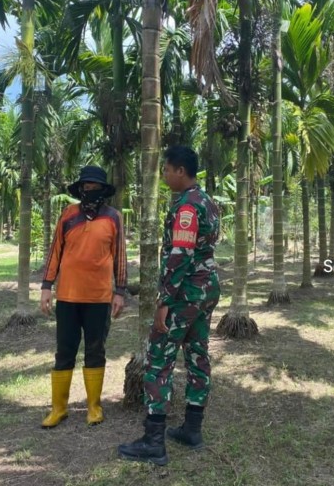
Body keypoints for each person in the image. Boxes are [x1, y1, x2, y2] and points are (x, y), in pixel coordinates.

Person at [118, 145, 221, 465]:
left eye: (166, 170)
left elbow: (181, 255)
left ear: (180, 171)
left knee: (158, 361)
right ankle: (192, 429)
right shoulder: (208, 201)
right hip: (205, 290)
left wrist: (165, 300)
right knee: (196, 355)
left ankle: (153, 442)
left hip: (185, 293)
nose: (163, 175)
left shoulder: (188, 208)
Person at [39, 166, 127, 428]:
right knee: (64, 351)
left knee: (95, 350)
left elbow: (120, 256)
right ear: (80, 190)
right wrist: (46, 286)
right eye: (85, 187)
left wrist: (120, 291)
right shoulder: (68, 215)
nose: (90, 192)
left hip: (99, 298)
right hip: (67, 295)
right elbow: (55, 251)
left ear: (103, 190)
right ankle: (59, 408)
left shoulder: (114, 217)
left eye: (94, 187)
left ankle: (93, 406)